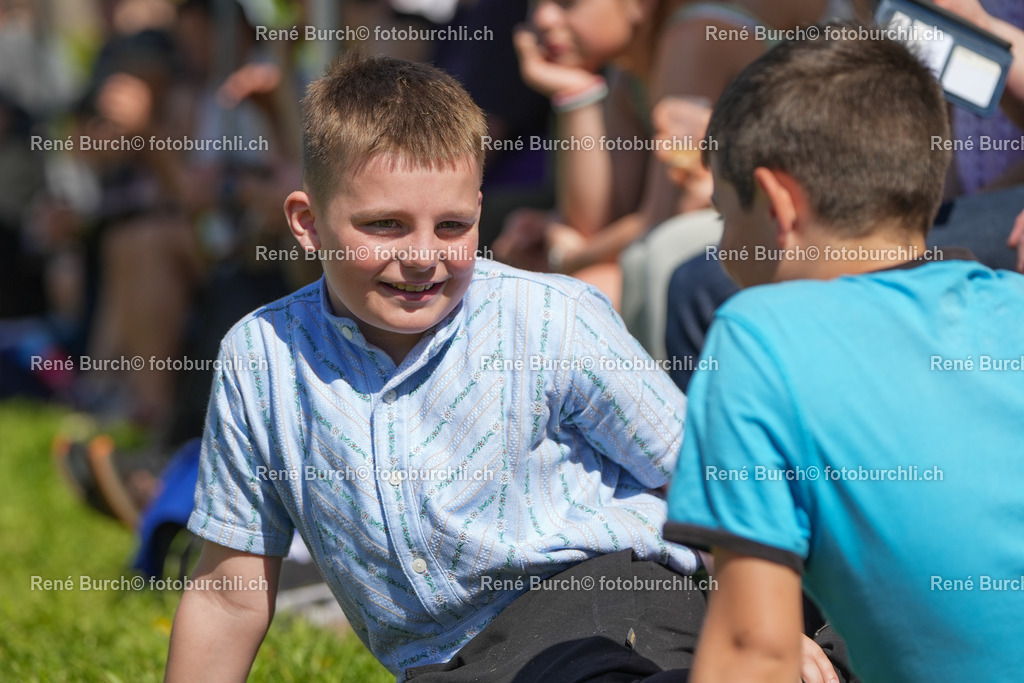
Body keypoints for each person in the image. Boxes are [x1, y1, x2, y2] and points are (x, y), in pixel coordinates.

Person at [165, 53, 705, 682]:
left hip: (607, 604)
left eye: (453, 225)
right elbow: (228, 594)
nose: (423, 256)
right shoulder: (261, 360)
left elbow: (705, 480)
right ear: (308, 224)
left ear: (480, 209)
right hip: (451, 665)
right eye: (385, 226)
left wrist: (760, 634)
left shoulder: (551, 318)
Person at [663, 26, 1024, 682]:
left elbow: (752, 656)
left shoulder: (759, 334)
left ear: (778, 205)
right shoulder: (1011, 303)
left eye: (724, 217)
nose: (721, 252)